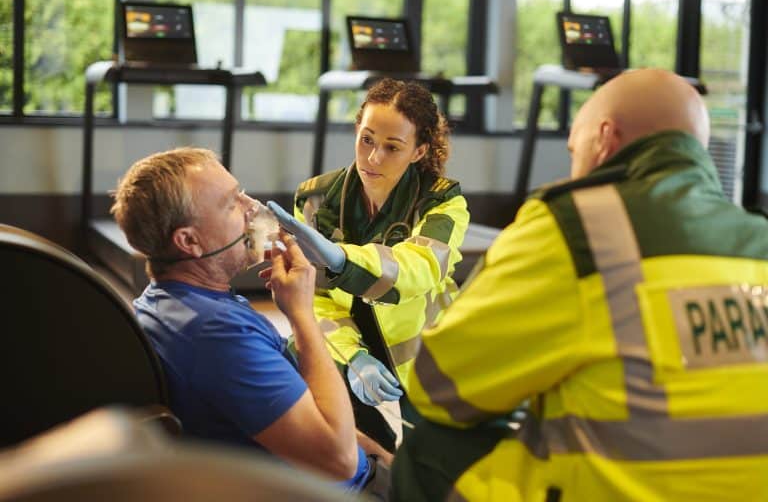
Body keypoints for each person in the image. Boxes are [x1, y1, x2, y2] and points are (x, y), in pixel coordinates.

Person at [391, 68, 768, 501]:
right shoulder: (757, 238)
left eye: (574, 148)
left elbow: (439, 386)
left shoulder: (578, 227)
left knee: (429, 449)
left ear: (605, 137)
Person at [110, 147, 390, 496]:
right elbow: (339, 458)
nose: (251, 208)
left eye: (241, 192)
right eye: (230, 204)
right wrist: (302, 316)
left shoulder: (167, 303)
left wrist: (381, 457)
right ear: (189, 241)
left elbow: (299, 407)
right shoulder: (216, 332)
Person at [267, 78, 470, 451]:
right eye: (367, 139)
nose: (374, 158)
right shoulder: (316, 199)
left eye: (393, 147)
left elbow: (417, 269)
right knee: (357, 451)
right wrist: (353, 356)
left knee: (429, 466)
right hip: (347, 345)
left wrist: (341, 259)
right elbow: (316, 300)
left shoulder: (442, 203)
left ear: (419, 151)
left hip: (426, 357)